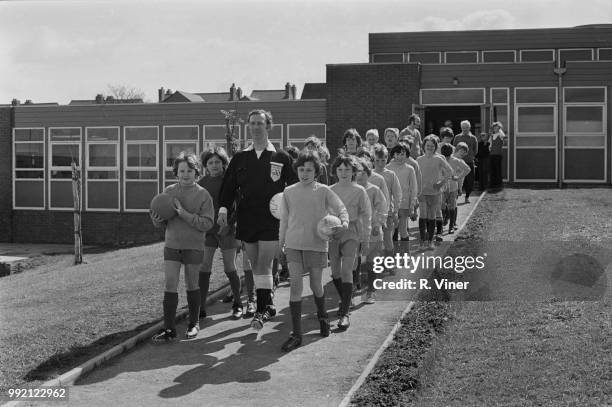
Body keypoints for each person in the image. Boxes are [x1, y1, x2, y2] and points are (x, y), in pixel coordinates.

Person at [218, 109, 297, 331]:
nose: (255, 127)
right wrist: (223, 209)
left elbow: (293, 188)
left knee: (264, 263)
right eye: (252, 123)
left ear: (268, 126)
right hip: (247, 218)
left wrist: (292, 213)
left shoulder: (281, 157)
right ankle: (268, 304)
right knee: (255, 265)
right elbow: (228, 187)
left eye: (260, 123)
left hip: (272, 220)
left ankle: (261, 312)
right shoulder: (240, 157)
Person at [278, 150, 349, 352]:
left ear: (316, 171)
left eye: (309, 170)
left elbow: (341, 207)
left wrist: (343, 222)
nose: (304, 173)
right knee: (295, 286)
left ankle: (323, 316)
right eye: (301, 169)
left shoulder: (324, 191)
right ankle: (297, 334)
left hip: (316, 244)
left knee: (316, 285)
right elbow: (283, 220)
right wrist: (280, 243)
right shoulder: (289, 191)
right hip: (293, 244)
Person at [150, 152, 215, 342]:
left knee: (192, 284)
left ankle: (193, 324)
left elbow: (207, 223)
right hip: (172, 245)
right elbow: (162, 220)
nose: (185, 174)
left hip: (193, 247)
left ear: (196, 172)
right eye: (181, 171)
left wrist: (184, 214)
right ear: (176, 173)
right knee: (170, 285)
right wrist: (156, 221)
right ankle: (169, 329)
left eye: (189, 170)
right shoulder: (168, 192)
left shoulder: (203, 195)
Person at [198, 147, 243, 320]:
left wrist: (230, 223)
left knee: (229, 267)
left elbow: (239, 206)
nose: (214, 165)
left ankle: (238, 304)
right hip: (208, 231)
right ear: (205, 165)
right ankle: (201, 306)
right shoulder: (201, 184)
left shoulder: (230, 181)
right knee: (204, 267)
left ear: (224, 163)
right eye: (210, 162)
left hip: (227, 230)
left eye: (217, 162)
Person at [330, 154, 371, 330]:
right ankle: (346, 298)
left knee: (347, 269)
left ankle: (345, 312)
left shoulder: (359, 191)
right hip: (333, 234)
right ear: (335, 171)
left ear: (353, 171)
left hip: (351, 233)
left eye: (347, 169)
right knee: (335, 272)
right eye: (340, 169)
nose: (344, 172)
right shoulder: (329, 190)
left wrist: (366, 238)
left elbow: (366, 215)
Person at [354, 158, 387, 304]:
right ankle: (355, 288)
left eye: (363, 175)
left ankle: (371, 291)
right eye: (357, 176)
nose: (360, 179)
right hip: (356, 232)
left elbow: (382, 208)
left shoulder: (374, 190)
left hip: (372, 231)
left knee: (372, 261)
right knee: (355, 261)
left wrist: (377, 224)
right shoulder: (352, 190)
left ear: (368, 174)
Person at [416, 136, 453, 250]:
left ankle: (430, 242)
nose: (430, 148)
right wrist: (416, 191)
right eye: (427, 146)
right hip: (422, 192)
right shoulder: (419, 159)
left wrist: (441, 183)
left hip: (435, 192)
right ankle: (422, 242)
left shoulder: (439, 159)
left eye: (432, 146)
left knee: (432, 216)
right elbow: (415, 176)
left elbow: (450, 172)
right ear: (424, 146)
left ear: (435, 147)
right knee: (423, 216)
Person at [386, 143, 418, 252]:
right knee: (392, 230)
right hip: (391, 205)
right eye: (398, 154)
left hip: (404, 204)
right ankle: (392, 253)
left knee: (403, 230)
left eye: (403, 154)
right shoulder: (388, 168)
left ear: (407, 155)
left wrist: (412, 206)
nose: (400, 157)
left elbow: (414, 188)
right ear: (393, 154)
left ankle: (405, 253)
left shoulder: (410, 169)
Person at [372, 144, 402, 260]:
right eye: (377, 160)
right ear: (373, 160)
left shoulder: (390, 175)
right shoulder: (369, 174)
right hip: (373, 214)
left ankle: (389, 262)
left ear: (387, 159)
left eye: (383, 160)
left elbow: (397, 194)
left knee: (387, 238)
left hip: (388, 212)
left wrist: (395, 211)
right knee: (374, 239)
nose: (380, 163)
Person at [441, 144, 470, 234]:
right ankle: (448, 226)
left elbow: (467, 169)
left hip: (450, 187)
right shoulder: (442, 160)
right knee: (446, 206)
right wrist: (458, 177)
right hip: (444, 186)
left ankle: (450, 226)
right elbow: (467, 169)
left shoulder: (446, 160)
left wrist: (458, 177)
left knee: (449, 206)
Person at [452, 120, 478, 203]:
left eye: (466, 128)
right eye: (463, 128)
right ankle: (455, 197)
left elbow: (475, 150)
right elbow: (454, 148)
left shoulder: (473, 138)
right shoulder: (457, 137)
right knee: (457, 180)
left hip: (469, 161)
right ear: (461, 128)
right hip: (458, 162)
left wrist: (470, 156)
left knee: (470, 180)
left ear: (469, 128)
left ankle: (467, 196)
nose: (464, 129)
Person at [489, 121, 505, 189]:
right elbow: (490, 145)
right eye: (494, 127)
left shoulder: (500, 134)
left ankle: (499, 184)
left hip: (498, 155)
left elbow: (503, 135)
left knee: (498, 170)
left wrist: (499, 129)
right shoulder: (492, 136)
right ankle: (493, 184)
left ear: (499, 128)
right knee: (492, 170)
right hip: (492, 155)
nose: (495, 128)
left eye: (497, 127)